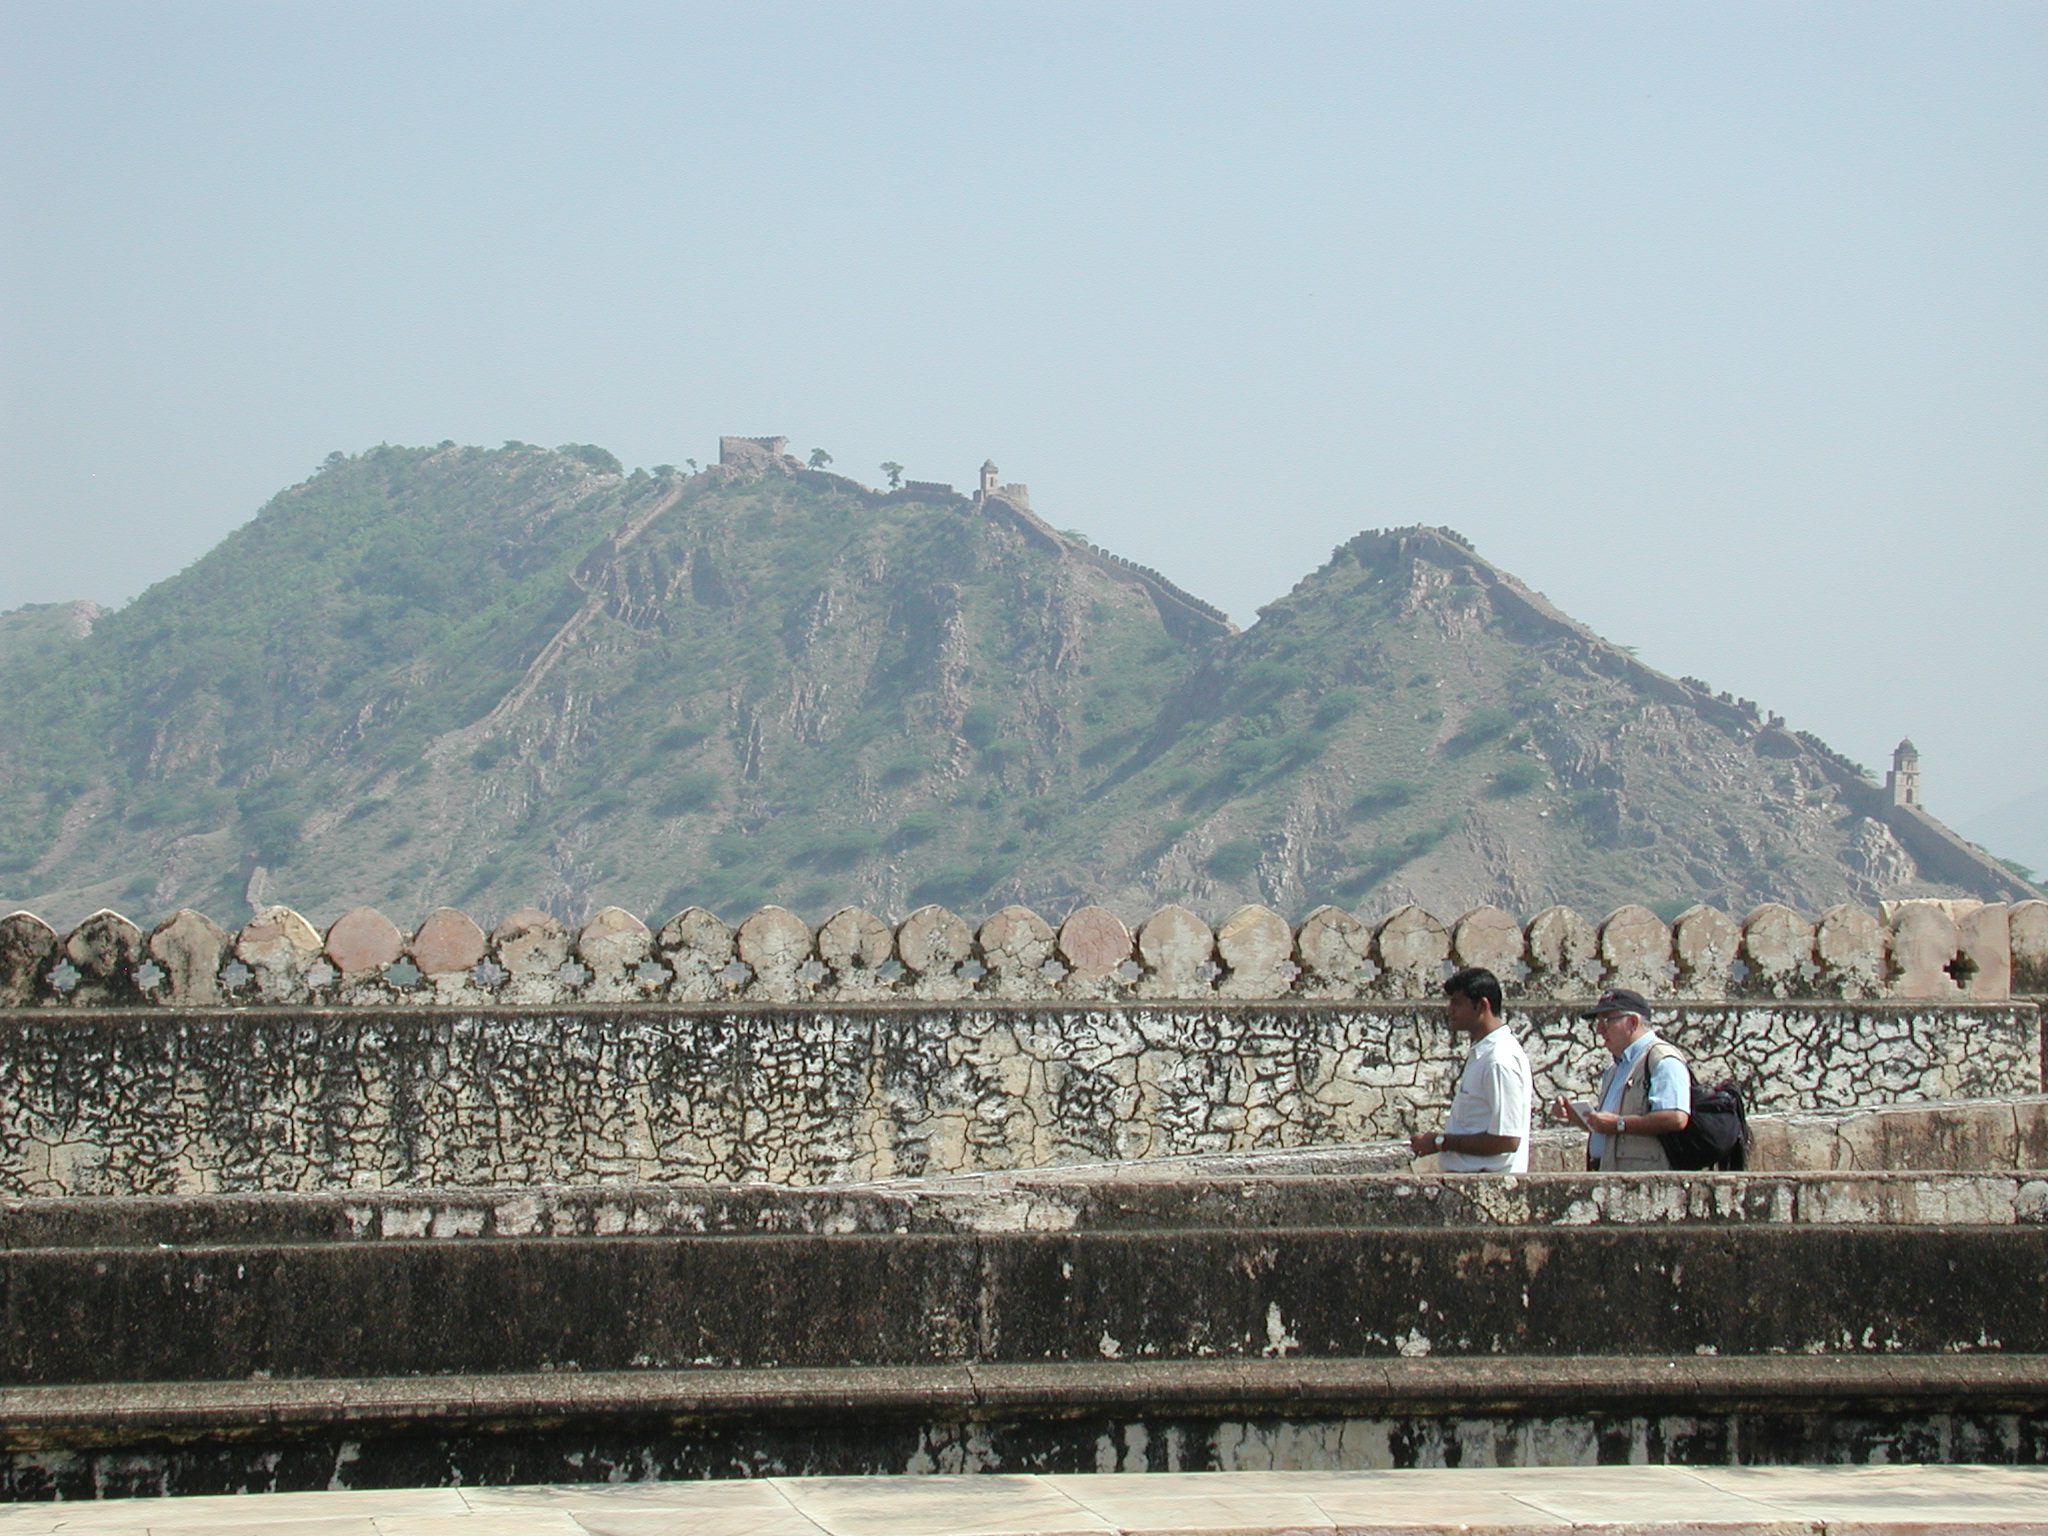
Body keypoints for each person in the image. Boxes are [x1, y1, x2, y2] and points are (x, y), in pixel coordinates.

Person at [1550, 987, 1692, 1171]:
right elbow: (1607, 1126)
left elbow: (1676, 1117)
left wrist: (1620, 1123)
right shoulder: (1615, 1068)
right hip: (1607, 1171)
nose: (1599, 1030)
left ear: (1632, 1022)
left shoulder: (1662, 1059)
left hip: (1642, 1176)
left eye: (1607, 1021)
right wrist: (1575, 1116)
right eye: (1598, 1022)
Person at [1409, 967, 1532, 1173]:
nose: (1450, 1010)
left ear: (1482, 1006)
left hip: (1489, 1183)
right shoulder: (1483, 1055)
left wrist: (1440, 1142)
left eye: (1458, 1003)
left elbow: (1507, 1140)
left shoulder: (1499, 1060)